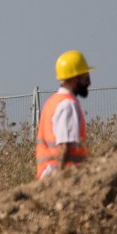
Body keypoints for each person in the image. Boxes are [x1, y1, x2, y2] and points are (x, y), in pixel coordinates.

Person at [35, 50, 92, 180]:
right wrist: (59, 184)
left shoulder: (53, 101)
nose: (89, 82)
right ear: (74, 79)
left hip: (50, 173)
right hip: (58, 174)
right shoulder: (67, 104)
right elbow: (63, 148)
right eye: (85, 77)